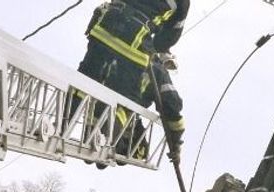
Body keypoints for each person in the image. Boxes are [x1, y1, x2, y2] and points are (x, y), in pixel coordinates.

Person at [71, 0, 189, 162]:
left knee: (83, 81)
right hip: (134, 45)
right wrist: (175, 144)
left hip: (104, 28)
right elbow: (168, 38)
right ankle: (108, 141)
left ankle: (62, 123)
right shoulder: (182, 2)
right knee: (125, 102)